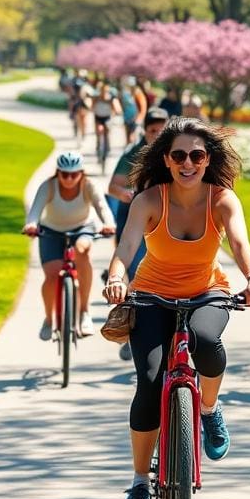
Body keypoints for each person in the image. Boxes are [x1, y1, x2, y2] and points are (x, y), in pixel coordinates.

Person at [103, 117, 250, 499]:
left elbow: (241, 244)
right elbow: (125, 250)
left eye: (197, 155)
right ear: (167, 159)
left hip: (206, 291)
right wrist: (115, 279)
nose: (188, 162)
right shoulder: (148, 200)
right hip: (151, 295)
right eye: (179, 155)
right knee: (151, 380)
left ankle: (209, 410)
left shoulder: (222, 199)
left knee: (205, 341)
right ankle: (141, 483)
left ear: (207, 158)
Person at [22, 151, 116, 339]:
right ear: (58, 173)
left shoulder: (89, 186)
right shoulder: (48, 187)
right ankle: (49, 320)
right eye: (65, 174)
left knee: (82, 250)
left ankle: (84, 312)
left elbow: (102, 207)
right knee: (52, 275)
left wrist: (108, 224)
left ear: (82, 173)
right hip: (51, 231)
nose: (69, 179)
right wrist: (31, 224)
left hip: (82, 228)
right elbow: (35, 211)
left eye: (74, 174)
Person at [106, 106, 169, 360]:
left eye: (161, 130)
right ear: (145, 131)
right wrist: (126, 194)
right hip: (133, 216)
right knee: (135, 272)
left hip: (163, 218)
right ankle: (132, 329)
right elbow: (113, 186)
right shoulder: (133, 155)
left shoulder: (174, 154)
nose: (157, 135)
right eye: (153, 130)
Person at [88, 81, 121, 158]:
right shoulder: (96, 98)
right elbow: (91, 107)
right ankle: (98, 145)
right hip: (98, 117)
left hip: (107, 118)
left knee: (107, 130)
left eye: (105, 91)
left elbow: (118, 108)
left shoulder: (111, 99)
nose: (104, 93)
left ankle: (107, 146)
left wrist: (116, 110)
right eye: (102, 91)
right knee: (99, 130)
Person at [120, 77, 147, 144]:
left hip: (136, 119)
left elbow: (143, 108)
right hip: (127, 118)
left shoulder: (139, 93)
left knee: (133, 137)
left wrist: (139, 119)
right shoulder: (126, 94)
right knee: (128, 138)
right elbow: (123, 106)